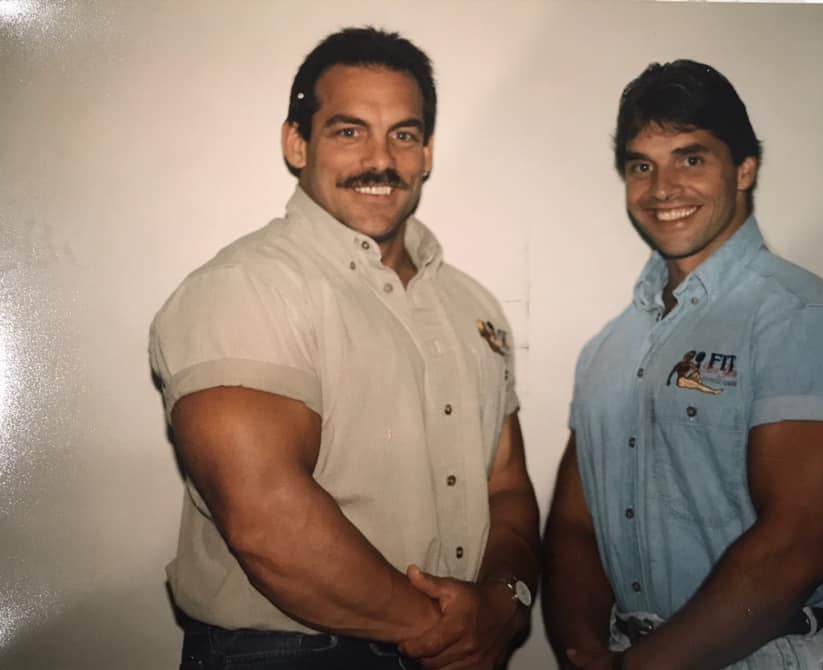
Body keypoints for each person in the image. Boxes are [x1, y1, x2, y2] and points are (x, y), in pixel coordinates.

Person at [149, 27, 539, 670]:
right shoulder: (244, 287)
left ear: (427, 154)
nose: (380, 159)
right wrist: (448, 632)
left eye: (403, 135)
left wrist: (503, 601)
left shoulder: (473, 308)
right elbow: (265, 520)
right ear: (296, 143)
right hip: (284, 653)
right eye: (349, 130)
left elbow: (505, 485)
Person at [542, 60, 823, 669]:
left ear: (745, 168)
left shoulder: (806, 322)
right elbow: (576, 527)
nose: (662, 188)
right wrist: (582, 651)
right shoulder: (610, 347)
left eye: (692, 158)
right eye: (641, 166)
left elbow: (794, 549)